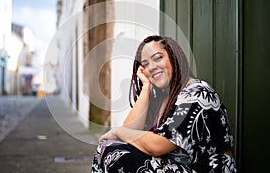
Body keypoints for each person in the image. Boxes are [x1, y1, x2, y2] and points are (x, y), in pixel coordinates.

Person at [91, 35, 237, 172]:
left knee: (116, 154)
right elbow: (128, 132)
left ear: (175, 58)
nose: (152, 67)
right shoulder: (161, 98)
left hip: (205, 169)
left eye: (158, 58)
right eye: (146, 64)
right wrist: (146, 88)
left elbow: (158, 146)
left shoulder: (197, 94)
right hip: (179, 166)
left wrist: (118, 131)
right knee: (109, 148)